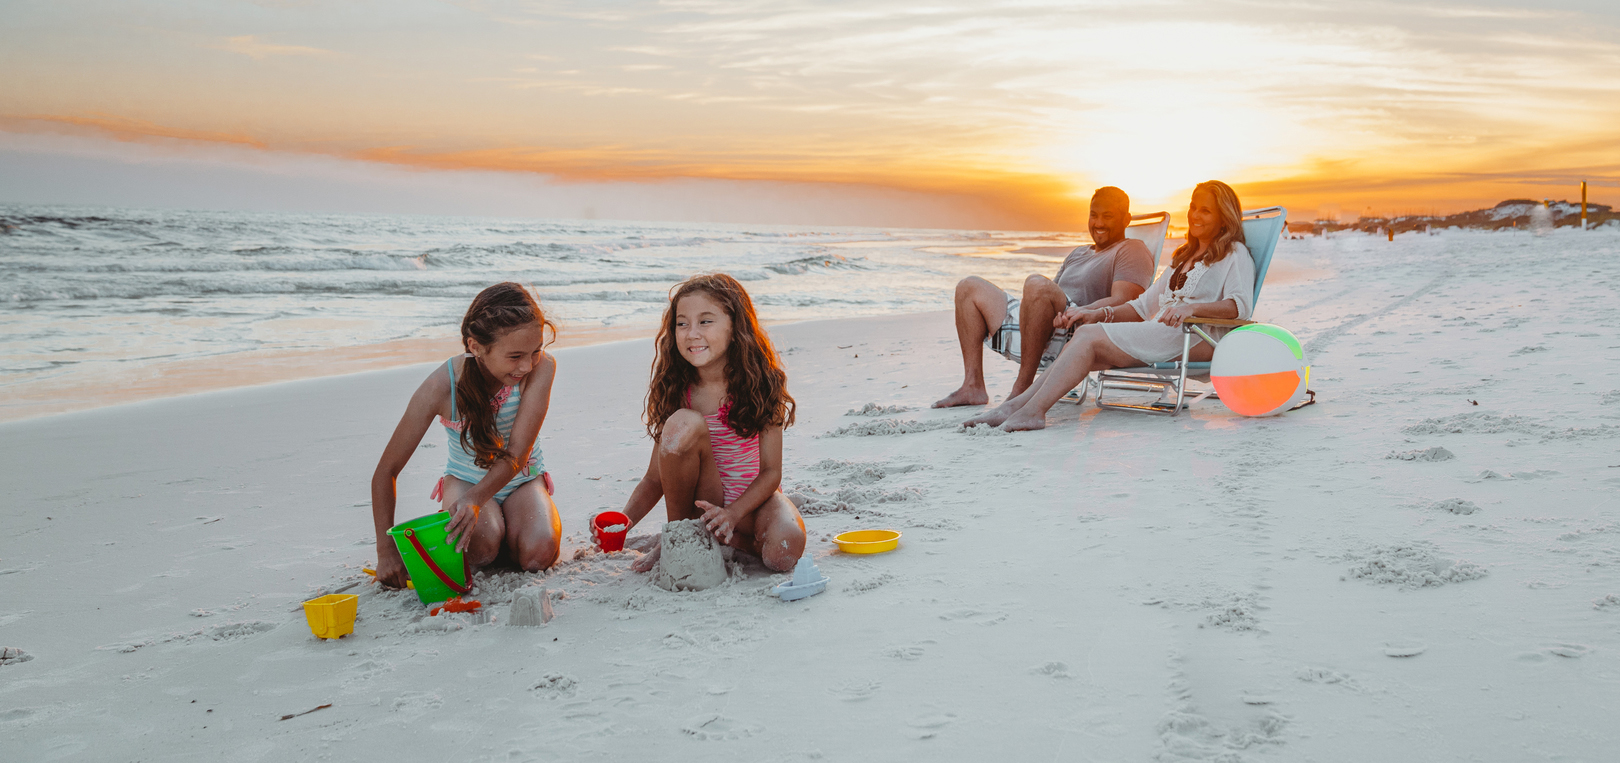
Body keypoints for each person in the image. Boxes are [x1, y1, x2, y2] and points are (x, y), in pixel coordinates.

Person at [964, 180, 1255, 432]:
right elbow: (1141, 307)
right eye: (1193, 207)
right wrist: (1096, 312)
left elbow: (1239, 306)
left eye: (1205, 210)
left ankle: (1032, 411)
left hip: (1198, 336)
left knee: (1089, 337)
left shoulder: (1233, 254)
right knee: (1086, 343)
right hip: (1164, 333)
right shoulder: (1183, 257)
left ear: (1223, 217)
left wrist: (1192, 310)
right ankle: (1020, 405)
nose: (1195, 215)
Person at [369, 282, 562, 589]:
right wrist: (385, 550)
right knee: (481, 546)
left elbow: (517, 453)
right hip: (465, 480)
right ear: (475, 347)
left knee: (538, 554)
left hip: (522, 477)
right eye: (515, 356)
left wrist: (475, 500)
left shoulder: (542, 368)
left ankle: (509, 525)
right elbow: (386, 471)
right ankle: (492, 528)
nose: (526, 365)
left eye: (535, 351)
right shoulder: (441, 387)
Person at [620, 273, 806, 573]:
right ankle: (679, 537)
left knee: (782, 555)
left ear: (735, 327)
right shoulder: (676, 389)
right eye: (682, 323)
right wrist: (623, 522)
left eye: (705, 321)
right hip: (703, 507)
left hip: (753, 503)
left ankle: (730, 540)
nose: (692, 333)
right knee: (683, 423)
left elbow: (771, 472)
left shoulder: (761, 383)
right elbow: (655, 478)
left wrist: (733, 514)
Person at [933, 186, 1154, 408]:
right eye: (1094, 215)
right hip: (1047, 328)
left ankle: (1022, 390)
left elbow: (1127, 302)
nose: (1098, 223)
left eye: (1108, 216)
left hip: (1080, 332)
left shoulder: (1131, 250)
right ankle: (973, 386)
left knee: (1036, 283)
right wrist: (1053, 312)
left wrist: (1079, 312)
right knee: (968, 287)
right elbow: (1050, 292)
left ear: (1126, 220)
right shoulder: (1078, 252)